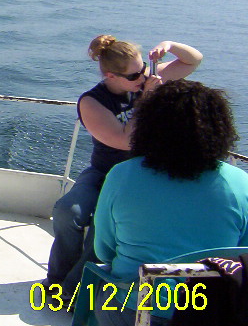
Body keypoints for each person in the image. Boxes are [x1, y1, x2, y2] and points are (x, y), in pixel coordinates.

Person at [75, 79, 248, 326]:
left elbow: (104, 251)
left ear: (148, 126)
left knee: (95, 285)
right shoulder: (240, 183)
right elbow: (240, 256)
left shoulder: (121, 175)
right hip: (210, 323)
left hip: (133, 317)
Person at [45, 36, 203, 294]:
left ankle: (75, 289)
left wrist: (170, 45)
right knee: (66, 212)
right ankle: (57, 277)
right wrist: (145, 98)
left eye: (143, 70)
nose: (142, 78)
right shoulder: (93, 101)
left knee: (100, 230)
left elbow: (193, 61)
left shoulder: (145, 80)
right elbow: (124, 140)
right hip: (104, 170)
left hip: (139, 175)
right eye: (133, 76)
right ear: (111, 76)